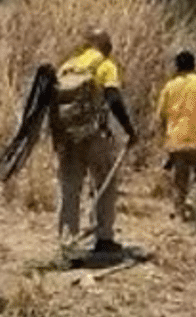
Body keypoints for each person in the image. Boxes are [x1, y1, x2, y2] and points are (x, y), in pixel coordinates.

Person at [50, 27, 138, 258]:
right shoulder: (105, 65)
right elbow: (113, 97)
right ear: (105, 45)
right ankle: (104, 237)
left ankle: (68, 243)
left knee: (69, 187)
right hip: (94, 135)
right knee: (104, 184)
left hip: (68, 136)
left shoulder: (67, 66)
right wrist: (129, 129)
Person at [156, 51, 196, 221]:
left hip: (177, 139)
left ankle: (179, 214)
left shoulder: (169, 87)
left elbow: (161, 114)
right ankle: (193, 201)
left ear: (176, 66)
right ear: (194, 65)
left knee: (180, 179)